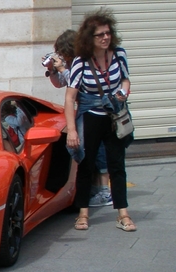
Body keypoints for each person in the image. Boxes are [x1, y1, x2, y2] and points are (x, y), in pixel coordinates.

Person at [64, 8, 136, 231]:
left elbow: (125, 81)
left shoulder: (119, 55)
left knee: (117, 165)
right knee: (86, 164)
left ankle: (123, 214)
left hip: (114, 117)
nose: (105, 38)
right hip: (90, 116)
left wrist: (122, 93)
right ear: (90, 38)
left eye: (107, 33)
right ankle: (83, 214)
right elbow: (70, 98)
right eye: (100, 35)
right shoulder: (80, 62)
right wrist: (73, 131)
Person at [44, 29, 112, 208]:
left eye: (62, 52)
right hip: (85, 110)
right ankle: (94, 186)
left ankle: (104, 191)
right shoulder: (72, 64)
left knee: (97, 150)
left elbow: (78, 84)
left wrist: (62, 69)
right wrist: (53, 70)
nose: (61, 56)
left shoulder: (87, 61)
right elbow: (60, 83)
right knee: (86, 148)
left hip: (98, 110)